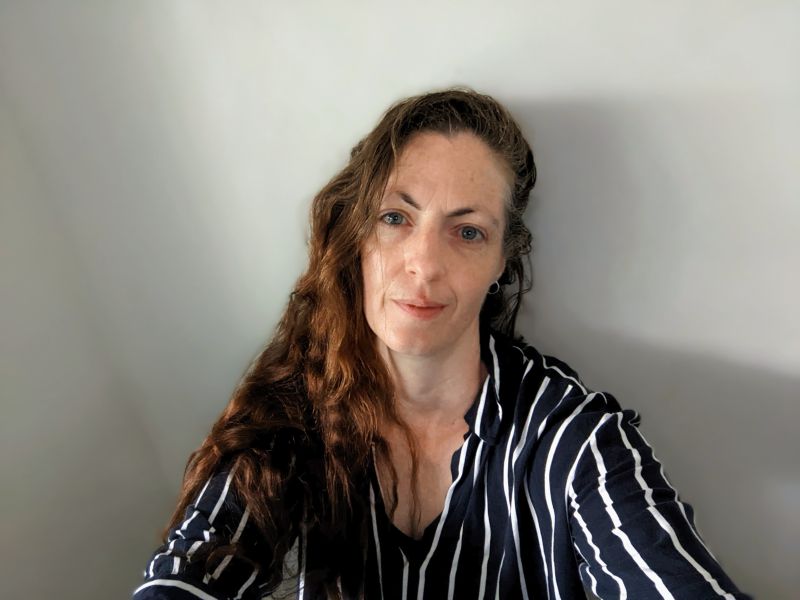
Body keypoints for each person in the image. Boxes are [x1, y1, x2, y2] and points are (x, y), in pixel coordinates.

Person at [133, 89, 750, 599]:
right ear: (357, 237)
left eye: (468, 231)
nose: (424, 264)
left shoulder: (570, 440)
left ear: (502, 261)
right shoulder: (293, 412)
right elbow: (191, 571)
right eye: (395, 218)